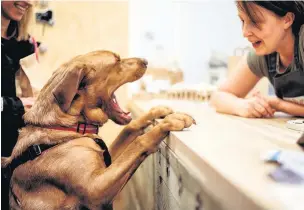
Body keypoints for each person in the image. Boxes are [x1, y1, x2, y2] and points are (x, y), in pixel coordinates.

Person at [210, 1, 304, 118]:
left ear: (287, 20)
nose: (245, 32)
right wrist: (242, 105)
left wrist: (279, 104)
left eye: (254, 21)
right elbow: (218, 97)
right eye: (243, 21)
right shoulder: (264, 55)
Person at [1, 0, 40, 208]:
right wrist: (14, 105)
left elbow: (36, 91)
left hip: (12, 153)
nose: (29, 2)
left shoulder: (24, 43)